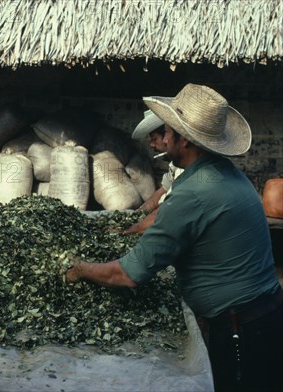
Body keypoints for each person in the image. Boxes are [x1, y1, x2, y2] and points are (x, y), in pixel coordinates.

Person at [65, 84, 282, 392]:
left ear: (185, 141)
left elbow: (126, 274)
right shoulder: (225, 173)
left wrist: (78, 268)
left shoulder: (195, 192)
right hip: (263, 316)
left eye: (167, 133)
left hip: (244, 329)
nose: (163, 140)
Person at [124, 110, 183, 234]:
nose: (151, 145)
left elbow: (169, 209)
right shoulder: (174, 165)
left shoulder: (186, 170)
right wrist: (134, 217)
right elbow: (162, 191)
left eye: (155, 139)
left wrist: (135, 228)